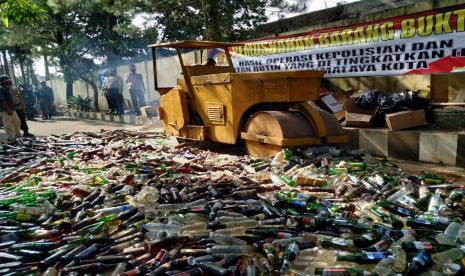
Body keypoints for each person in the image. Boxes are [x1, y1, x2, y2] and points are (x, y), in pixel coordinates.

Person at [0, 75, 21, 140]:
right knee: (8, 125)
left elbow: (18, 95)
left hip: (12, 109)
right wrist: (8, 110)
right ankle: (12, 138)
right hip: (6, 110)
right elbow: (2, 100)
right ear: (2, 82)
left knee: (17, 122)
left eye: (9, 80)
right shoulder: (1, 89)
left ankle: (17, 136)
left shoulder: (7, 88)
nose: (9, 82)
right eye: (7, 81)